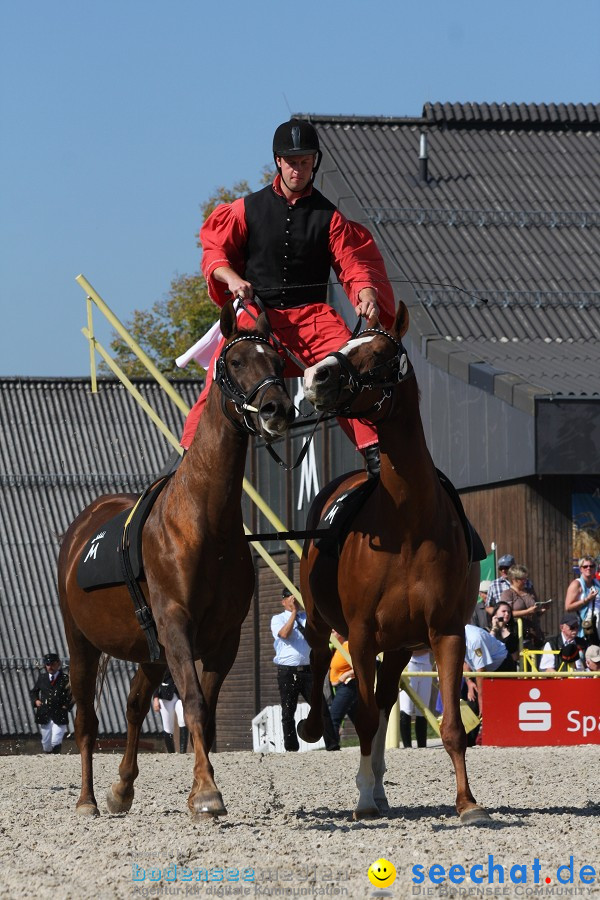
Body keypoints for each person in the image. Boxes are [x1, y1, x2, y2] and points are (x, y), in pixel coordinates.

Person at [180, 118, 396, 478]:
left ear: (315, 162)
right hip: (257, 316)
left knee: (352, 370)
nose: (299, 169)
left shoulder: (332, 219)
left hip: (313, 318)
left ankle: (375, 454)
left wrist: (366, 294)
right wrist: (233, 280)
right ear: (278, 161)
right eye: (292, 161)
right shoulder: (242, 210)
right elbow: (213, 252)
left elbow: (354, 263)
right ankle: (188, 457)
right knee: (220, 376)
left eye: (306, 161)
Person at [271, 588, 339, 751]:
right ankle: (291, 747)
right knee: (288, 711)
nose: (294, 601)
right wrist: (294, 612)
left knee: (321, 707)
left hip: (308, 670)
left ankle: (332, 744)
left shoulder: (306, 618)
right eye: (291, 598)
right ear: (284, 601)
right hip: (287, 671)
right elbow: (284, 634)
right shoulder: (278, 619)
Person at [29, 652, 73, 754]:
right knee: (46, 742)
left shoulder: (65, 678)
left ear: (58, 664)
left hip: (60, 712)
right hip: (45, 712)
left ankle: (56, 754)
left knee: (56, 739)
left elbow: (72, 695)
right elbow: (34, 691)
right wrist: (36, 700)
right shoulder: (42, 677)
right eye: (48, 664)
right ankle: (48, 755)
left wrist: (67, 705)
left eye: (52, 664)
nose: (50, 667)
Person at [499, 564, 549, 649]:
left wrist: (542, 610)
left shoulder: (529, 592)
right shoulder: (507, 594)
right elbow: (507, 613)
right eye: (522, 579)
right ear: (513, 580)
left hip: (535, 635)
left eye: (525, 578)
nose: (525, 581)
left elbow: (534, 613)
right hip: (518, 636)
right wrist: (527, 612)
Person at [328, 631, 358, 746]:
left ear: (340, 634)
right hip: (340, 687)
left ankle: (333, 746)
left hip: (348, 685)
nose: (331, 635)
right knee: (358, 719)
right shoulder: (337, 648)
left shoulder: (348, 646)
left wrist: (346, 674)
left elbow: (363, 664)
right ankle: (373, 742)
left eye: (333, 632)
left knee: (334, 717)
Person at [399, 649, 432, 748]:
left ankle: (422, 745)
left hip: (426, 665)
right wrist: (426, 649)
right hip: (409, 664)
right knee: (406, 708)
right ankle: (407, 746)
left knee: (423, 709)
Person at [152, 669, 189, 753]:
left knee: (183, 720)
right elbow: (156, 679)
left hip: (180, 695)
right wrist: (155, 697)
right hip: (165, 696)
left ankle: (183, 752)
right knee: (168, 727)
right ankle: (171, 753)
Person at [565, 556, 600, 642]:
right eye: (585, 566)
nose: (589, 568)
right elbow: (568, 607)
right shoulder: (576, 584)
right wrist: (587, 599)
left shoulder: (597, 583)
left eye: (591, 566)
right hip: (586, 628)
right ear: (580, 569)